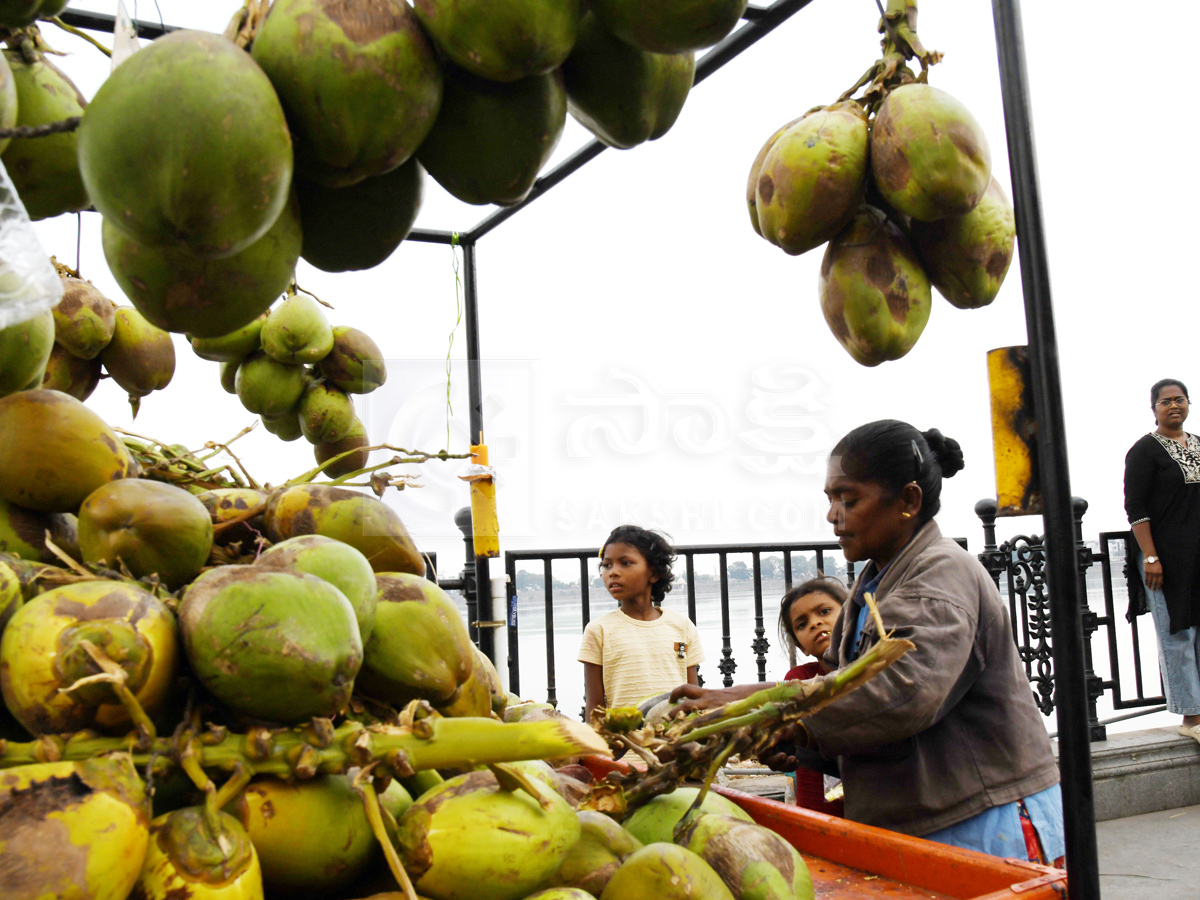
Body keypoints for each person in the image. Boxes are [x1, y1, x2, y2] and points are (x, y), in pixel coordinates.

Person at [672, 420, 1064, 865]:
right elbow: (857, 703)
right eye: (830, 500)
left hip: (982, 819)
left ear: (908, 501)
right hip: (921, 821)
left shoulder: (938, 575)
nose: (833, 515)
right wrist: (799, 741)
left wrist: (777, 714)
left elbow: (902, 694)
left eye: (849, 499)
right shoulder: (875, 583)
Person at [1123, 379, 1200, 744]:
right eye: (1165, 401)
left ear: (1188, 404)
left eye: (1179, 399)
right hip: (1163, 559)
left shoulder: (1199, 445)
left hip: (1196, 557)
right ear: (1153, 408)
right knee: (1177, 633)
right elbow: (1136, 511)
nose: (1173, 406)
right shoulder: (1144, 452)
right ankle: (1192, 715)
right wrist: (1150, 556)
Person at [578, 525, 704, 721]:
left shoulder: (682, 626)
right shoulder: (599, 630)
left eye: (625, 563)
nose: (613, 572)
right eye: (607, 565)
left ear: (653, 573)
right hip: (624, 747)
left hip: (674, 744)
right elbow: (594, 706)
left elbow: (693, 694)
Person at [777, 577, 847, 816]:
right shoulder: (798, 678)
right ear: (801, 647)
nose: (816, 623)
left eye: (825, 611)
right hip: (818, 807)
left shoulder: (872, 672)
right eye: (802, 624)